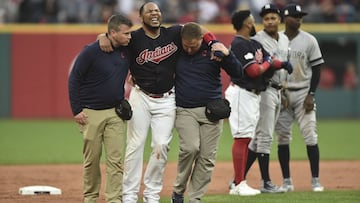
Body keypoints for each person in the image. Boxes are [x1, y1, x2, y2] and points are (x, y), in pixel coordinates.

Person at [98, 2, 219, 203]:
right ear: (141, 16)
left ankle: (151, 196)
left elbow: (199, 29)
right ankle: (129, 195)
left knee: (161, 146)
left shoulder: (173, 34)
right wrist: (102, 36)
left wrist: (213, 42)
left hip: (167, 98)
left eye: (157, 10)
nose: (154, 13)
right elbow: (113, 38)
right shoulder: (134, 37)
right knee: (135, 146)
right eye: (150, 11)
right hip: (141, 97)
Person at [171, 22, 243, 203]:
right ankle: (178, 190)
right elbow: (184, 25)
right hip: (185, 109)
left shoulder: (215, 51)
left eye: (193, 46)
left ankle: (195, 198)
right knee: (190, 148)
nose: (188, 49)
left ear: (200, 40)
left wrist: (227, 55)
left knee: (207, 158)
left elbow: (238, 73)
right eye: (186, 45)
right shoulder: (176, 49)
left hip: (212, 111)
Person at [225, 9, 292, 196]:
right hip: (242, 93)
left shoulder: (252, 43)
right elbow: (254, 71)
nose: (254, 24)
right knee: (242, 137)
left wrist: (281, 64)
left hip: (253, 95)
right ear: (247, 24)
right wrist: (268, 64)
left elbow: (271, 60)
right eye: (252, 21)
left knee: (247, 138)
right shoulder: (238, 44)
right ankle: (239, 184)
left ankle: (239, 182)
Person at [68, 14, 133, 203]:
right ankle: (90, 198)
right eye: (126, 33)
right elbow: (75, 79)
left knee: (115, 161)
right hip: (91, 113)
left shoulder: (127, 49)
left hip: (115, 113)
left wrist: (103, 36)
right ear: (112, 32)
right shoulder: (91, 51)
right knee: (92, 160)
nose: (129, 37)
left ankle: (114, 199)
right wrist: (76, 110)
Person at [275, 3, 325, 192]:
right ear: (285, 18)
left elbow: (317, 68)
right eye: (295, 16)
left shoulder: (309, 40)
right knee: (282, 138)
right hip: (283, 94)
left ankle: (315, 180)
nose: (299, 19)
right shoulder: (276, 39)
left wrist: (311, 94)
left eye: (300, 16)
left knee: (310, 136)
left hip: (303, 92)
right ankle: (287, 181)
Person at [244, 3, 292, 193]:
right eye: (266, 18)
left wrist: (284, 90)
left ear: (279, 19)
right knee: (264, 137)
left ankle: (237, 179)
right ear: (262, 21)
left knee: (257, 140)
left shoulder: (285, 39)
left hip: (278, 90)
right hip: (265, 90)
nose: (270, 21)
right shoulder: (257, 40)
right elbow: (260, 68)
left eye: (273, 17)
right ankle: (266, 183)